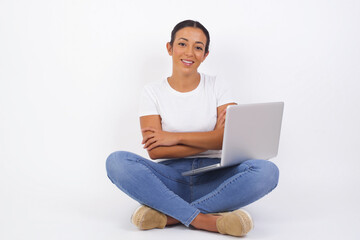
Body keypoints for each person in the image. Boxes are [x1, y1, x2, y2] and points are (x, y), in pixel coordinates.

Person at [106, 20, 279, 237]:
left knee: (267, 171)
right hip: (170, 178)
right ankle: (204, 220)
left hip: (216, 176)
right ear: (169, 48)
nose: (189, 53)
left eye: (198, 47)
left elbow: (228, 140)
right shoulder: (151, 92)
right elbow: (156, 152)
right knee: (116, 162)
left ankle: (171, 215)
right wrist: (212, 139)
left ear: (205, 55)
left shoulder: (218, 85)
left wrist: (173, 137)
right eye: (182, 44)